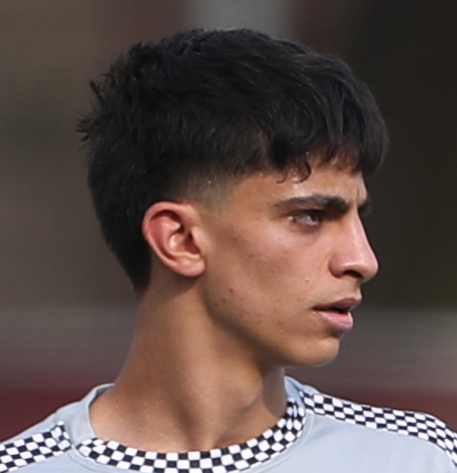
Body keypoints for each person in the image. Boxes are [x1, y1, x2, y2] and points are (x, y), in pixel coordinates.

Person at [1, 28, 455, 473]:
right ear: (180, 239)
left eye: (358, 216)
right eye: (310, 216)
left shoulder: (420, 459)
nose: (362, 260)